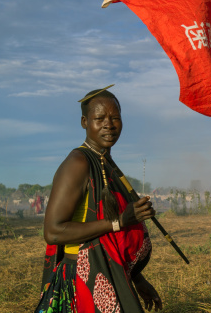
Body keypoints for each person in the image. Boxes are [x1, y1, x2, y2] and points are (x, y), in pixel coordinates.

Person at [35, 87, 163, 312]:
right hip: (81, 279)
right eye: (99, 118)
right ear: (84, 122)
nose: (109, 124)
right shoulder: (78, 163)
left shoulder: (107, 163)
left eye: (115, 118)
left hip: (108, 272)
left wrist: (137, 278)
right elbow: (53, 232)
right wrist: (120, 221)